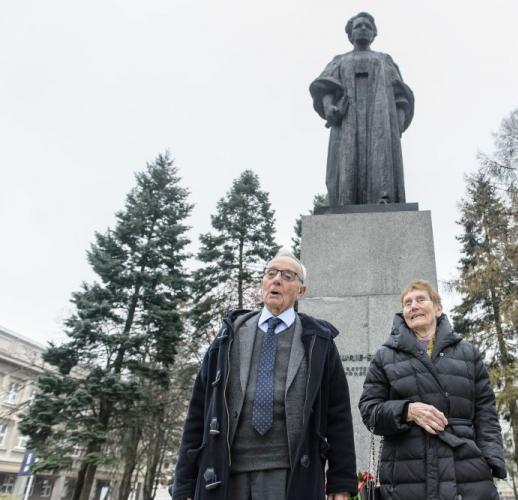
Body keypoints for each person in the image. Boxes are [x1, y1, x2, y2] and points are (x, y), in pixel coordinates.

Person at [171, 251, 356, 500]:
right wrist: (184, 484)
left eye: (287, 276)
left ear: (301, 290)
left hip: (288, 476)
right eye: (271, 273)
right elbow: (198, 412)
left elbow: (338, 415)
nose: (276, 280)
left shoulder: (318, 342)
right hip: (226, 476)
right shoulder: (228, 337)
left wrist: (340, 482)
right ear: (263, 283)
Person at [359, 279, 506, 499]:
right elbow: (369, 411)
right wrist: (407, 411)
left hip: (467, 472)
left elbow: (486, 413)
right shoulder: (385, 356)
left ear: (438, 308)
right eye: (407, 303)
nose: (413, 306)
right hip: (407, 475)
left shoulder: (468, 354)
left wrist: (491, 462)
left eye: (420, 299)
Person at [310, 12, 414, 206]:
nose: (364, 28)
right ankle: (345, 200)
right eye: (359, 26)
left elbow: (401, 95)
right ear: (350, 35)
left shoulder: (384, 59)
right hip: (348, 120)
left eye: (368, 26)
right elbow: (325, 87)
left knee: (381, 157)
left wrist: (398, 122)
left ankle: (384, 198)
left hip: (381, 121)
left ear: (374, 33)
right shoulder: (340, 60)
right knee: (346, 160)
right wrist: (328, 106)